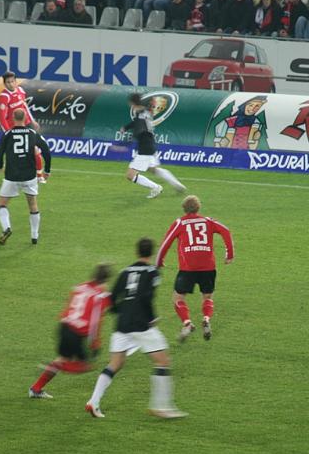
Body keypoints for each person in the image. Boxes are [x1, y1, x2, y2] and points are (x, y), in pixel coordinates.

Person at [85, 238, 188, 420]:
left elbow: (112, 298)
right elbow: (146, 297)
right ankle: (161, 407)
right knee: (163, 362)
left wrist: (121, 312)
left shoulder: (125, 271)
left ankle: (93, 401)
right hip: (141, 325)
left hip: (123, 324)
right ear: (152, 253)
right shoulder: (152, 272)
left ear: (137, 252)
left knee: (115, 363)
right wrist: (151, 318)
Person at [28, 264, 113, 399]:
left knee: (62, 358)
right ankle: (58, 367)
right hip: (76, 334)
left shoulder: (80, 287)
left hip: (64, 326)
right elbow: (95, 322)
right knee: (85, 365)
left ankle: (36, 388)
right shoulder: (101, 296)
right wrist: (95, 344)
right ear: (107, 280)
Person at [156, 195, 234, 342]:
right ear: (199, 207)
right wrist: (229, 254)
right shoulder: (208, 221)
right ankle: (206, 319)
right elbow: (226, 230)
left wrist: (159, 261)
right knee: (207, 297)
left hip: (188, 268)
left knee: (178, 297)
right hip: (208, 267)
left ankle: (187, 323)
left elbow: (166, 242)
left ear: (184, 208)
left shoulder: (180, 223)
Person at [0, 109, 52, 245]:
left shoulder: (8, 134)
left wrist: (0, 166)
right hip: (29, 175)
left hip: (11, 176)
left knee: (2, 204)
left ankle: (6, 227)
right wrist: (47, 170)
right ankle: (34, 236)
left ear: (13, 118)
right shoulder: (32, 133)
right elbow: (46, 150)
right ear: (25, 118)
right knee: (32, 204)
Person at [121, 93, 186, 198]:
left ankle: (156, 187)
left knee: (130, 175)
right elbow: (138, 122)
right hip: (151, 145)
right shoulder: (146, 111)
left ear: (132, 103)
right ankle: (177, 184)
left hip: (144, 147)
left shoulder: (140, 114)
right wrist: (126, 127)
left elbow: (140, 128)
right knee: (153, 169)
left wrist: (127, 141)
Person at [0, 71, 46, 181]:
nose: (10, 84)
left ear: (15, 81)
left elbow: (25, 107)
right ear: (4, 84)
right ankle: (12, 174)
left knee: (35, 150)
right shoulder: (4, 97)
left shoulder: (20, 91)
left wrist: (33, 121)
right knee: (15, 153)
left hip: (27, 124)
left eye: (12, 81)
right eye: (8, 82)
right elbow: (1, 117)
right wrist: (8, 133)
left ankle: (39, 175)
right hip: (13, 128)